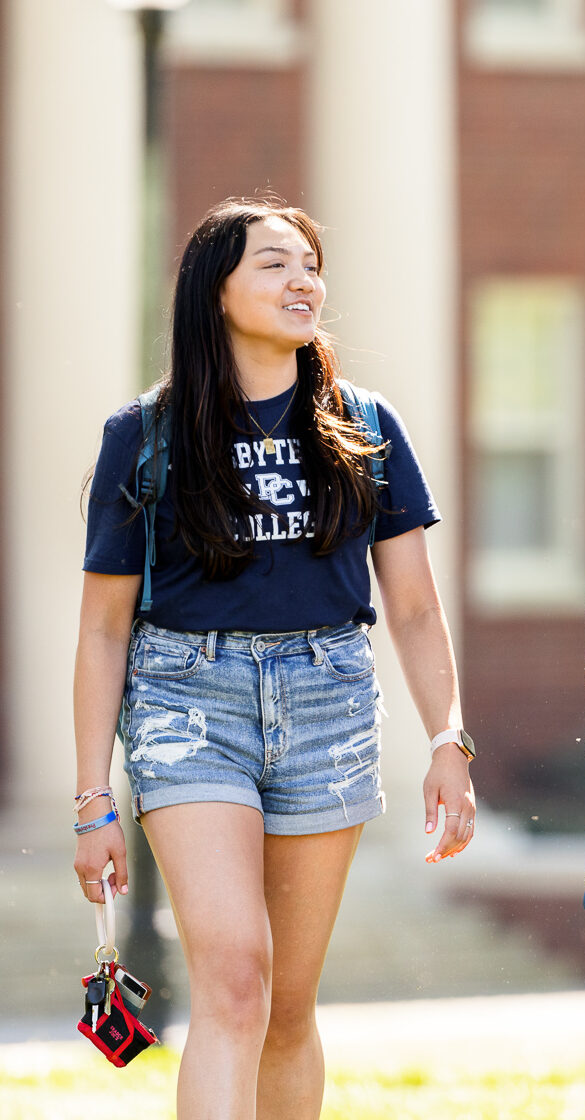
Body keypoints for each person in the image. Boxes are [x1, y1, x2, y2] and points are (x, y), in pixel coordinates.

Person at [71, 198, 477, 1120]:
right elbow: (102, 629)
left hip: (328, 697)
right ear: (214, 293)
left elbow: (412, 607)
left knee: (287, 1009)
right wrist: (93, 796)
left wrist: (448, 739)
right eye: (273, 264)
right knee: (237, 982)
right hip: (186, 700)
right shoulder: (144, 435)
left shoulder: (363, 424)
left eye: (310, 264)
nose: (304, 281)